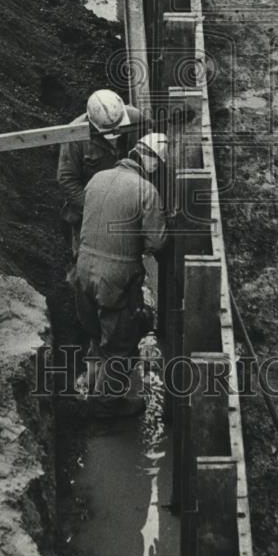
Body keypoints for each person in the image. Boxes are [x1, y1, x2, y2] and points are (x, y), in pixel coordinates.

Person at [73, 132, 169, 417]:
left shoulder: (97, 178)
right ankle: (106, 409)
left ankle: (89, 383)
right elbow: (156, 243)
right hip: (115, 278)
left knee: (95, 331)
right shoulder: (145, 190)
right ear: (151, 163)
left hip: (82, 268)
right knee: (121, 347)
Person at [57, 89, 145, 257]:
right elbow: (67, 180)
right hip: (90, 209)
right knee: (87, 258)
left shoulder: (135, 119)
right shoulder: (75, 135)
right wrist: (98, 210)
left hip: (128, 201)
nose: (114, 137)